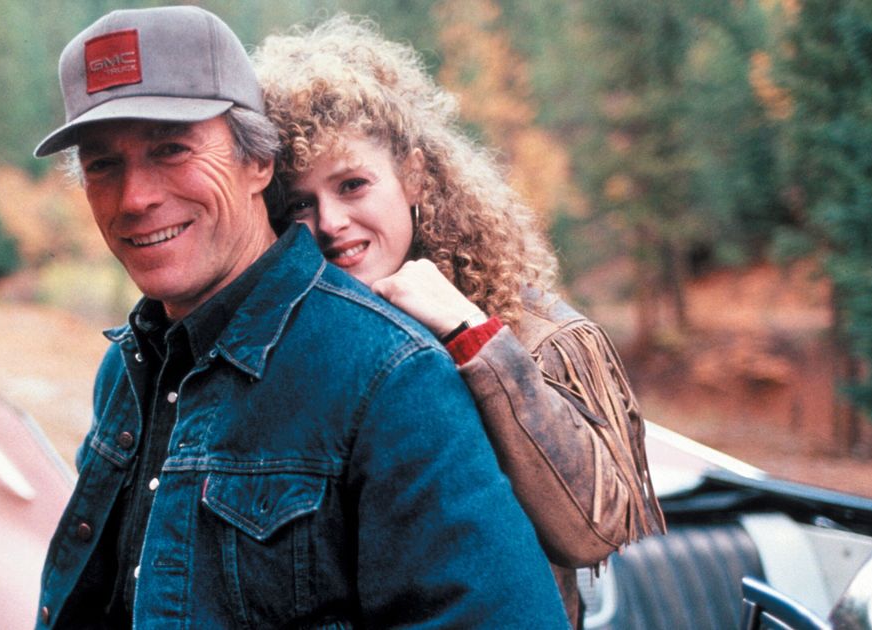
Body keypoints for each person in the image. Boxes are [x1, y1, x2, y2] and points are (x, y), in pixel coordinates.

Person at [31, 6, 568, 628]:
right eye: (103, 164)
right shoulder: (126, 367)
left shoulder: (388, 376)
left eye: (171, 149)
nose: (134, 198)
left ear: (258, 162)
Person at [253, 15, 667, 625]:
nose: (331, 222)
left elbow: (595, 530)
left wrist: (476, 340)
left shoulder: (529, 328)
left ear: (414, 177)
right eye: (301, 204)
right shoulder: (273, 338)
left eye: (353, 185)